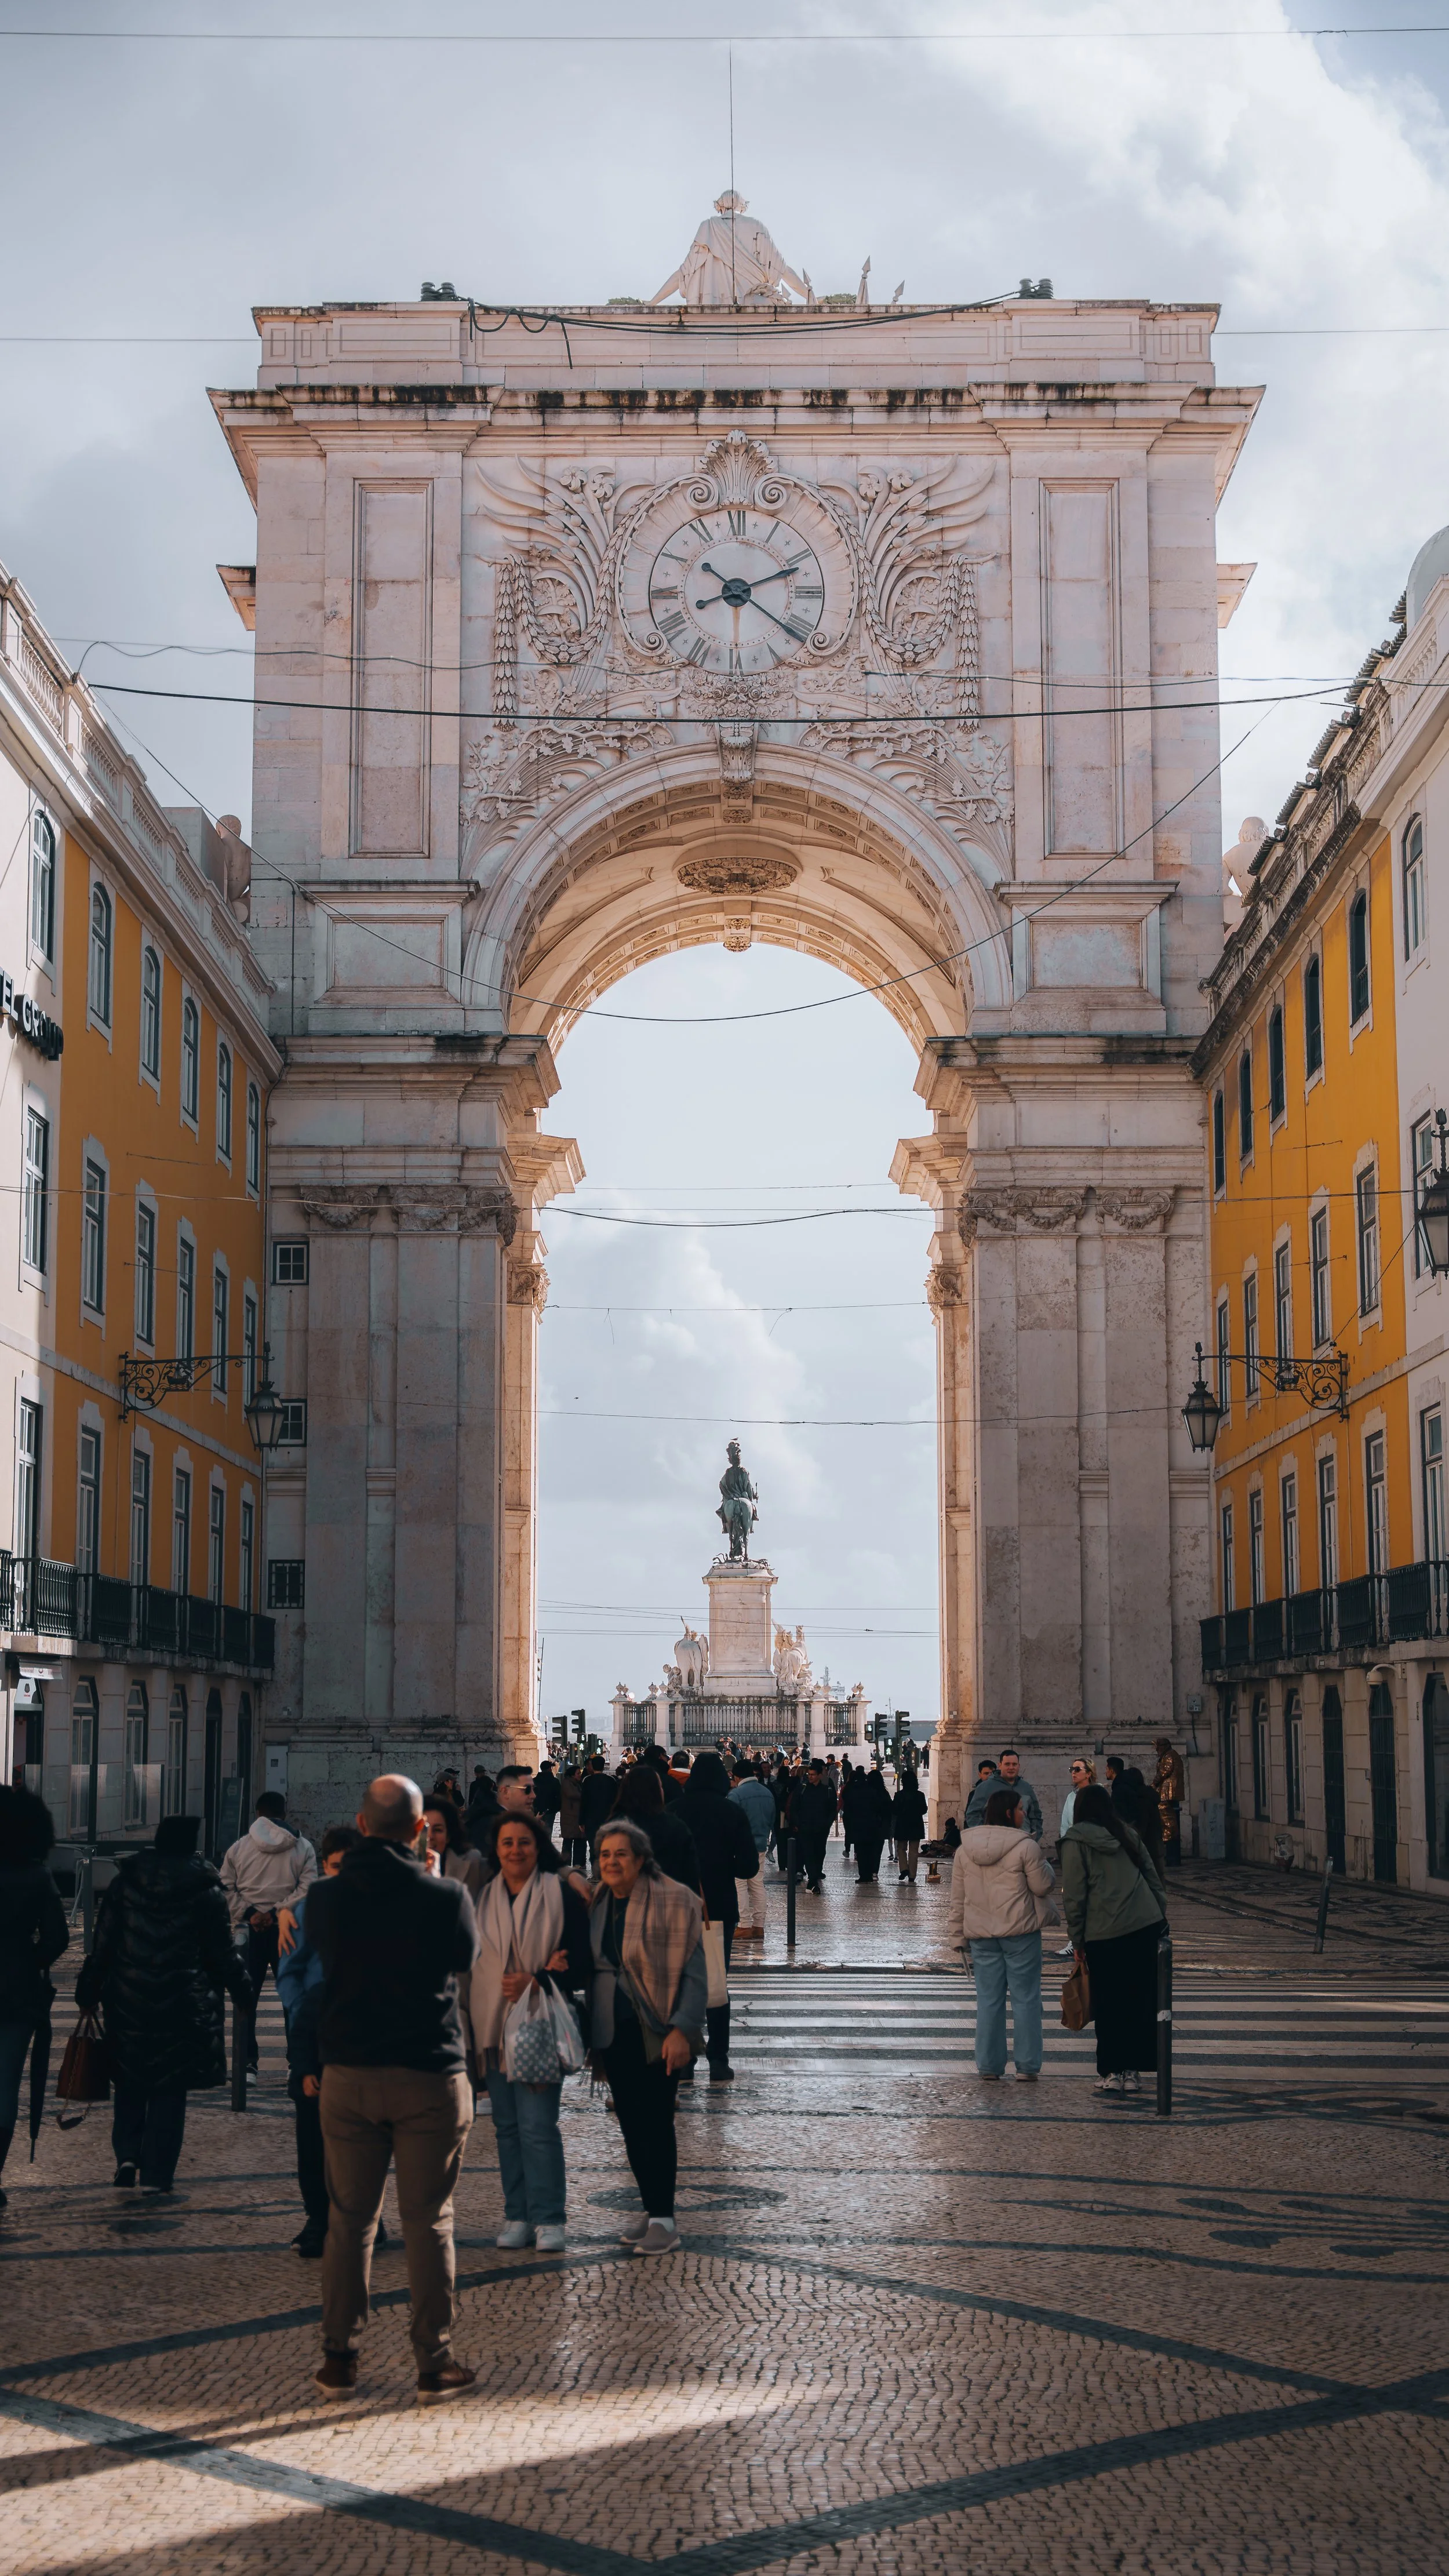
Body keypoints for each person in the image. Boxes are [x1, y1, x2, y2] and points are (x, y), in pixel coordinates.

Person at [304, 1773, 479, 2402]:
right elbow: (464, 1957)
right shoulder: (444, 1896)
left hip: (348, 2073)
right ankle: (433, 2363)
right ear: (417, 1831)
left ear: (358, 1824)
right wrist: (433, 1880)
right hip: (427, 2072)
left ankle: (338, 2358)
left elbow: (327, 1952)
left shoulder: (324, 1897)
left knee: (348, 2220)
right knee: (428, 2219)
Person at [75, 1815, 253, 2194]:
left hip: (128, 1999)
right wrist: (242, 1990)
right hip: (183, 2002)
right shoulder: (206, 1889)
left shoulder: (126, 1883)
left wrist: (88, 1990)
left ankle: (127, 2154)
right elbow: (222, 1953)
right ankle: (157, 2175)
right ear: (192, 1845)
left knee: (129, 2078)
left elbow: (103, 1943)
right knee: (171, 2088)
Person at [468, 1811, 591, 2253]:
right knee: (506, 2127)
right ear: (496, 1850)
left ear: (538, 1847)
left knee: (538, 2127)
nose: (516, 1850)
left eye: (524, 1842)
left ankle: (549, 2217)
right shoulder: (483, 1897)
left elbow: (581, 1960)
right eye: (507, 1843)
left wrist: (538, 1978)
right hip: (493, 2026)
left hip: (538, 2024)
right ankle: (517, 2214)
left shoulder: (559, 1893)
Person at [590, 1820, 707, 2255]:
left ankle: (664, 2219)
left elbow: (696, 1975)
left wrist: (682, 2030)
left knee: (656, 2125)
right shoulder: (601, 1900)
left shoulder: (675, 1899)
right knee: (632, 2125)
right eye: (604, 1854)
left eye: (621, 1854)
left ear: (641, 1859)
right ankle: (653, 2207)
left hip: (659, 2029)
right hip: (614, 2030)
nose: (612, 1862)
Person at [277, 1824, 365, 2258]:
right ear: (325, 1869)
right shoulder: (309, 1909)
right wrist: (303, 2012)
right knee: (311, 2137)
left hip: (360, 2039)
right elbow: (290, 1969)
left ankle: (364, 2215)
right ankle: (317, 2217)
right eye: (335, 1868)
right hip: (314, 2032)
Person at [1061, 1782, 1168, 2097]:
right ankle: (1133, 2071)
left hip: (1103, 1932)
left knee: (1108, 2003)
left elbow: (1075, 1897)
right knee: (1138, 1999)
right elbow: (1153, 1877)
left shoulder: (1075, 1841)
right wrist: (1157, 1915)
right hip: (1143, 1927)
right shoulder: (1126, 1833)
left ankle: (1111, 2071)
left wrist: (1077, 1942)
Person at [948, 1788, 1054, 2082]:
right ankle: (1027, 2066)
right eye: (1021, 1809)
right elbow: (1043, 1886)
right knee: (1026, 2000)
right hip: (1020, 1931)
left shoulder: (965, 1850)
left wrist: (958, 1937)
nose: (1024, 1814)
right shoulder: (1026, 1847)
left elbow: (958, 1899)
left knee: (989, 2001)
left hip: (982, 1934)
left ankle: (989, 2066)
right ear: (1009, 1814)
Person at [0, 1785, 68, 2206]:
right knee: (6, 2085)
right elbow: (58, 1938)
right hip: (19, 1989)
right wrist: (29, 1958)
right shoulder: (36, 1877)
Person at [220, 1790, 317, 2062]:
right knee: (293, 1999)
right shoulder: (303, 1847)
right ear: (284, 1813)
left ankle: (247, 2064)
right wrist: (276, 1913)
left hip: (247, 1932)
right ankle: (296, 2060)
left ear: (257, 1814)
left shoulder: (239, 1847)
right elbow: (307, 1888)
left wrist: (251, 1913)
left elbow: (225, 1886)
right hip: (288, 1929)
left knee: (246, 1998)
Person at [681, 1752, 759, 2082]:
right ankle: (718, 2061)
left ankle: (683, 2060)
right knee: (715, 1985)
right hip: (716, 1910)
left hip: (679, 1914)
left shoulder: (674, 1812)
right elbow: (748, 1867)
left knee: (683, 1985)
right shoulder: (731, 1812)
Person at [605, 1766, 701, 1895]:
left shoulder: (614, 1826)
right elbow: (690, 1874)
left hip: (624, 1904)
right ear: (655, 1792)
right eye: (660, 1787)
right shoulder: (675, 1827)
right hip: (668, 1902)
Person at [729, 1760, 774, 1940]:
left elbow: (730, 1823)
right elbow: (772, 1821)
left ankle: (744, 1925)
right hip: (761, 1844)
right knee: (757, 1885)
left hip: (740, 1846)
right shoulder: (767, 1793)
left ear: (737, 1776)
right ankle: (759, 1926)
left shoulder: (736, 1795)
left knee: (740, 1884)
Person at [964, 1749, 1043, 1842]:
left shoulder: (1026, 1788)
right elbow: (973, 1815)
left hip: (1023, 1841)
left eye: (1014, 1764)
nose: (1011, 1767)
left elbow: (1036, 1815)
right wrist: (984, 1837)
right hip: (995, 1843)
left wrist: (1034, 1837)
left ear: (1019, 1766)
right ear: (1000, 1765)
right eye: (1007, 1764)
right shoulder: (985, 1787)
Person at [422, 1795, 486, 1906]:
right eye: (424, 1829)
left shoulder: (474, 1865)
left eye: (438, 1830)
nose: (430, 1836)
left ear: (448, 1836)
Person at [1113, 1765, 1164, 1875]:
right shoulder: (1149, 1796)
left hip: (1146, 1845)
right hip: (1156, 1842)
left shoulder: (1140, 1799)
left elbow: (1141, 1826)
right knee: (1158, 1875)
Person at [852, 1767, 893, 1885]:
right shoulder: (883, 1793)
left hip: (864, 1825)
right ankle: (874, 1872)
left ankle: (864, 1875)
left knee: (863, 1851)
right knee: (876, 1852)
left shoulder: (864, 1791)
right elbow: (888, 1810)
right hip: (879, 1827)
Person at [891, 1769, 929, 1884]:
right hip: (916, 1825)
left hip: (902, 1825)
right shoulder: (920, 1795)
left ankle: (904, 1869)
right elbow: (924, 1810)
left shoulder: (899, 1795)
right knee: (913, 1851)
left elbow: (895, 1810)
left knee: (901, 1848)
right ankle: (912, 1875)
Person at [1154, 1737, 1186, 1867]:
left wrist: (1154, 1783)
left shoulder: (1169, 1756)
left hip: (1168, 1792)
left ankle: (1167, 1837)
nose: (1157, 1750)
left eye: (1158, 1747)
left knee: (1166, 1816)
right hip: (1168, 1792)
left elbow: (1164, 1772)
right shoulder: (1170, 1755)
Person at [578, 1755, 616, 1846]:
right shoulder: (611, 1780)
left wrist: (581, 1821)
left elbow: (584, 1801)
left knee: (593, 1846)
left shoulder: (587, 1781)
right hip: (607, 1818)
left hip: (591, 1819)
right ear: (603, 1767)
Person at [1060, 1758, 1097, 1839]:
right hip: (1073, 1843)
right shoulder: (1071, 1797)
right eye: (1072, 1769)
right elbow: (1065, 1825)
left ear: (1088, 1774)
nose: (1073, 1772)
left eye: (1077, 1769)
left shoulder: (1097, 1795)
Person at [557, 1765, 585, 1868]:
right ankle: (566, 1863)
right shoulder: (568, 1783)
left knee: (578, 1840)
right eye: (578, 1773)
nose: (580, 1776)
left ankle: (577, 1863)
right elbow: (572, 1795)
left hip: (575, 1817)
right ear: (573, 1775)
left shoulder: (577, 1784)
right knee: (568, 1841)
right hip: (569, 1818)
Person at [533, 1759, 562, 1837]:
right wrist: (556, 1809)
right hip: (550, 1811)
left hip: (537, 1811)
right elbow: (559, 1797)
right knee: (548, 1833)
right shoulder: (555, 1782)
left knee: (537, 1834)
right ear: (550, 1769)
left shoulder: (534, 1781)